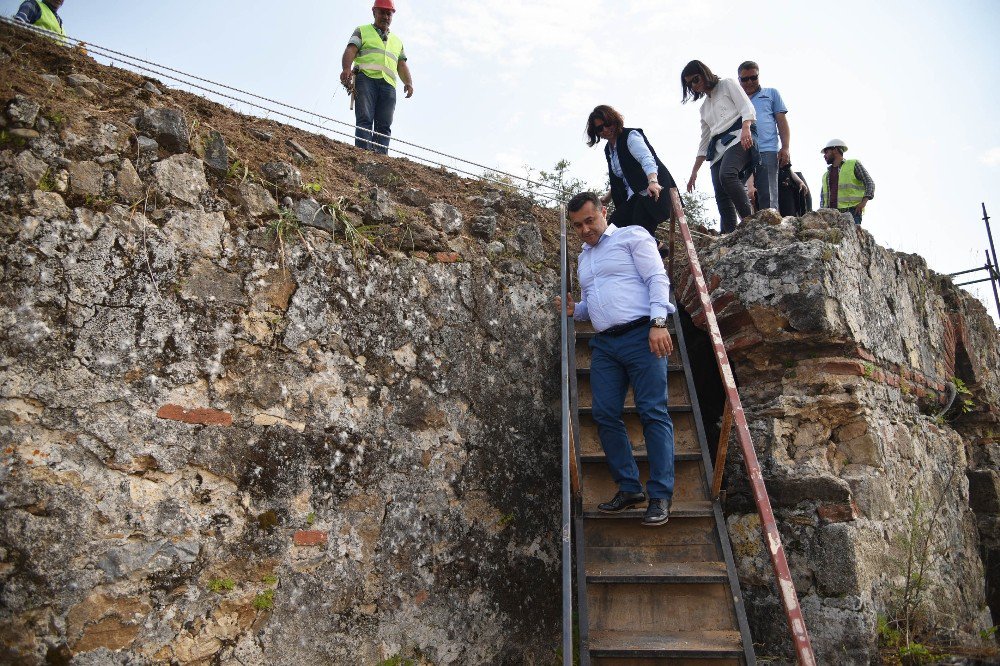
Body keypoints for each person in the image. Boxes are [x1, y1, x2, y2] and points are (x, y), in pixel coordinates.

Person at [556, 192, 676, 526]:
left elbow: (656, 278)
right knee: (604, 413)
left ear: (603, 212)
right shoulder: (583, 258)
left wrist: (658, 323)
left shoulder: (632, 235)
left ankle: (661, 495)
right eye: (577, 225)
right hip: (606, 343)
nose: (583, 230)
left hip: (643, 334)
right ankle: (629, 487)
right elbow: (593, 301)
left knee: (652, 411)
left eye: (589, 221)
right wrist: (575, 310)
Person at [681, 60, 757, 234]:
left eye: (695, 79)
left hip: (739, 135)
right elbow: (705, 139)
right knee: (720, 193)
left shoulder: (727, 84)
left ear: (704, 73)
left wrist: (746, 128)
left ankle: (750, 221)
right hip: (717, 148)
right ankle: (729, 234)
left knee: (727, 175)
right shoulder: (704, 108)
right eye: (689, 84)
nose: (694, 85)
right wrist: (694, 171)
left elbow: (747, 107)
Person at [585, 105, 677, 242]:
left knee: (638, 226)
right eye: (599, 128)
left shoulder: (630, 136)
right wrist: (608, 196)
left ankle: (655, 247)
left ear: (614, 121)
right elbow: (624, 175)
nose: (605, 129)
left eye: (607, 124)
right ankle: (657, 247)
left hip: (652, 191)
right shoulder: (609, 150)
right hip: (633, 198)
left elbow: (647, 158)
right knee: (614, 227)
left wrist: (653, 182)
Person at [339, 0, 414, 155]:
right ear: (374, 13)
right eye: (382, 12)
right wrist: (346, 69)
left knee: (384, 124)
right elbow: (351, 50)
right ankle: (363, 153)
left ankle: (380, 157)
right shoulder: (362, 31)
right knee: (365, 118)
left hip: (388, 84)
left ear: (392, 16)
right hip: (366, 79)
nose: (385, 17)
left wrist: (408, 82)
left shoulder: (397, 41)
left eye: (389, 13)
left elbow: (401, 64)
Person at [737, 61, 789, 212]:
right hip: (741, 151)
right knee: (736, 191)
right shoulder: (736, 99)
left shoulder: (771, 93)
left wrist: (785, 147)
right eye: (745, 79)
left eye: (753, 78)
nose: (750, 82)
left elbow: (782, 121)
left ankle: (772, 229)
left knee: (768, 195)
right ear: (739, 80)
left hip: (767, 149)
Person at [819, 139, 875, 225]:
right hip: (830, 216)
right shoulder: (826, 175)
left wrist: (863, 203)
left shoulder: (853, 164)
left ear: (835, 150)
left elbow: (869, 182)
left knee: (850, 239)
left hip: (852, 212)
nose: (824, 156)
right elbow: (823, 198)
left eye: (826, 152)